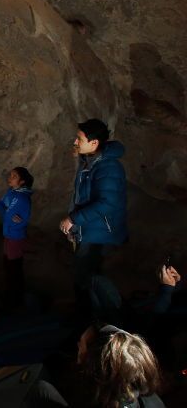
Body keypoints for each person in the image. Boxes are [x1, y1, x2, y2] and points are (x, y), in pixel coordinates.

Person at [59, 119, 127, 319]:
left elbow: (107, 204)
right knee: (85, 280)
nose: (75, 141)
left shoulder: (108, 168)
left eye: (79, 138)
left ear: (94, 143)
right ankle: (87, 326)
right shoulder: (89, 162)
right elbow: (82, 199)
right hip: (89, 230)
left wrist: (73, 219)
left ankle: (90, 327)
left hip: (100, 234)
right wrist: (76, 228)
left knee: (88, 282)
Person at [28, 324, 165, 407]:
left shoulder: (96, 398)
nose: (78, 347)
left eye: (82, 346)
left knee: (41, 390)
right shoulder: (147, 396)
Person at [0, 166, 34, 308]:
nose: (10, 178)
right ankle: (12, 297)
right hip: (8, 233)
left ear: (22, 181)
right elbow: (0, 205)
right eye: (10, 175)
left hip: (15, 236)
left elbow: (13, 216)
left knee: (14, 268)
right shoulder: (11, 192)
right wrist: (9, 214)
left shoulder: (21, 197)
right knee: (9, 265)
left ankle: (15, 300)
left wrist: (8, 214)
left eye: (14, 176)